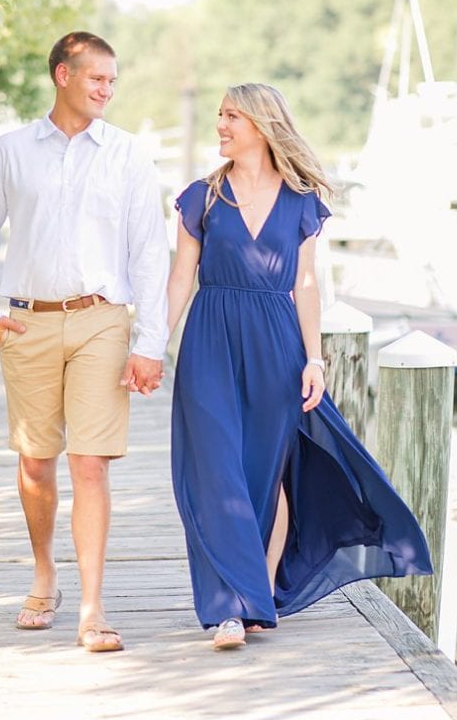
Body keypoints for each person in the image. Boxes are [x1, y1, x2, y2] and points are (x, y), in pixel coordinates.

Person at [165, 83, 431, 650]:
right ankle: (229, 610)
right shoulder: (202, 198)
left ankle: (255, 594)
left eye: (231, 116)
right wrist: (149, 345)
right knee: (216, 470)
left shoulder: (301, 199)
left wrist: (314, 359)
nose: (221, 125)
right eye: (218, 116)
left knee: (264, 475)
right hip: (210, 337)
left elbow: (305, 284)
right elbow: (179, 278)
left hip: (277, 344)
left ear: (261, 125)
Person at [0, 31, 169, 653]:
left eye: (112, 81)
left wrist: (149, 341)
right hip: (29, 323)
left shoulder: (128, 155)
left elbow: (149, 253)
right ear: (62, 75)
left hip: (103, 320)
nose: (106, 90)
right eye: (96, 78)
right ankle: (44, 573)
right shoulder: (11, 151)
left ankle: (93, 608)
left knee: (91, 463)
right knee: (35, 462)